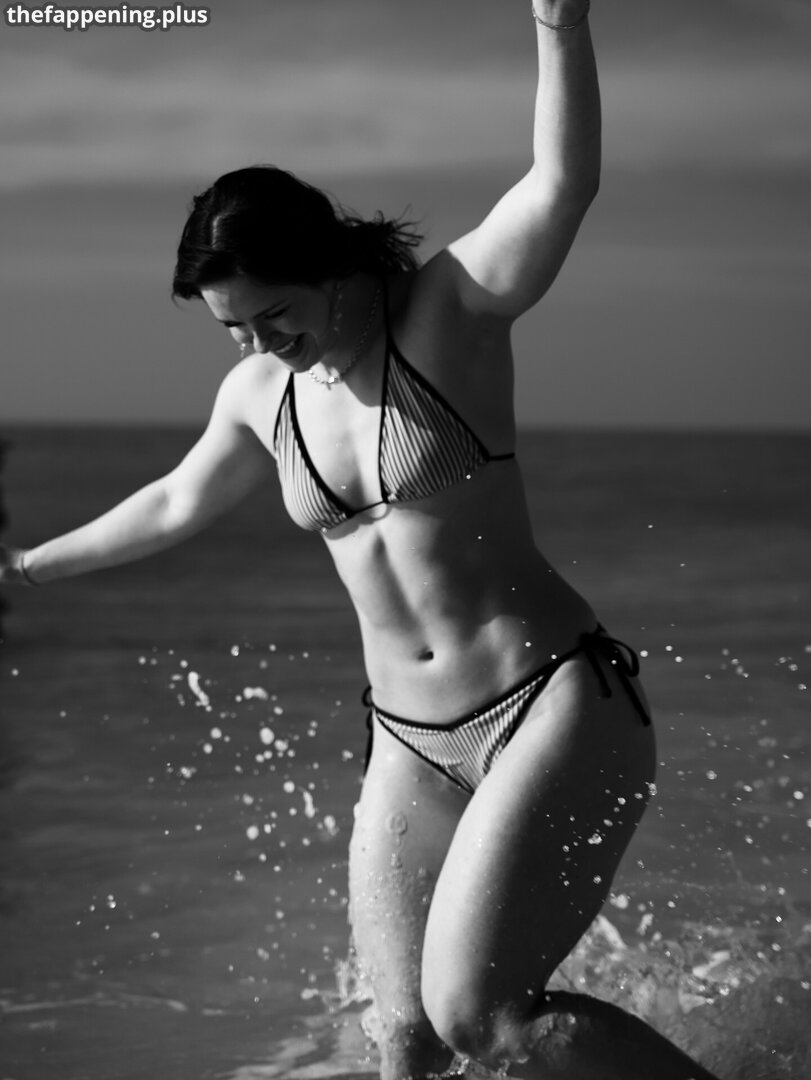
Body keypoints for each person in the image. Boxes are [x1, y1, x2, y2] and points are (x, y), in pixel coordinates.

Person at [0, 3, 722, 1078]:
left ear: (330, 268)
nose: (257, 344)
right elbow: (171, 503)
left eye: (272, 315)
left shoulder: (450, 314)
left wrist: (557, 22)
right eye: (233, 328)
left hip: (549, 706)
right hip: (408, 741)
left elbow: (559, 183)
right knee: (403, 1043)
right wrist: (20, 568)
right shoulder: (261, 394)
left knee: (481, 1017)